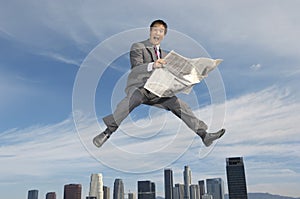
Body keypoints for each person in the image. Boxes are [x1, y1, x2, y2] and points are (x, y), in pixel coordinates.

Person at [93, 19, 225, 148]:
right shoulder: (138, 46)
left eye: (161, 31)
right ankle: (107, 132)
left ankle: (204, 135)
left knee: (182, 106)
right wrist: (152, 65)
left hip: (159, 91)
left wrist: (196, 74)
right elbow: (136, 68)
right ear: (150, 32)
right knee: (130, 101)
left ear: (164, 35)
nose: (157, 33)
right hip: (141, 88)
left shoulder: (167, 55)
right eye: (155, 30)